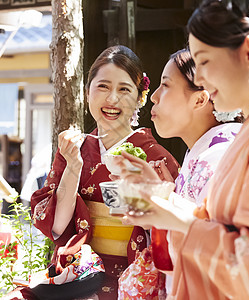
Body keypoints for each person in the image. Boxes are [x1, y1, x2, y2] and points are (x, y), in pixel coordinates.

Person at [123, 0, 249, 299]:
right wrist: (164, 203)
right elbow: (223, 227)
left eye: (205, 61)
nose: (199, 78)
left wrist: (177, 219)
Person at [24, 45, 180, 300]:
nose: (112, 99)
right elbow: (56, 228)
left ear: (141, 98)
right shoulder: (73, 150)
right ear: (87, 93)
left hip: (135, 278)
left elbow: (172, 232)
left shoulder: (157, 159)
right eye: (103, 87)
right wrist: (73, 168)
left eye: (124, 90)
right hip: (79, 277)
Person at [116, 48, 242, 299]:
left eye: (166, 85)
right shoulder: (206, 151)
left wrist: (162, 204)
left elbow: (211, 241)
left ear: (200, 99)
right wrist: (158, 198)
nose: (154, 97)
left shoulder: (218, 156)